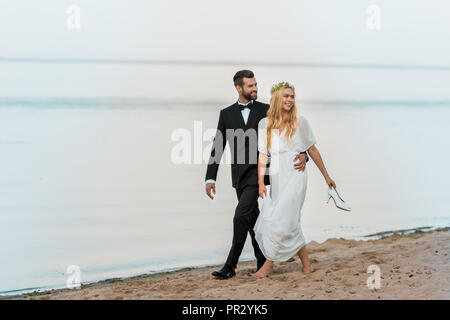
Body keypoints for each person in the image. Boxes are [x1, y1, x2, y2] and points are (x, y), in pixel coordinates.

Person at [205, 70, 309, 279]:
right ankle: (262, 260)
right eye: (250, 86)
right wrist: (210, 177)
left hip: (260, 174)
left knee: (240, 215)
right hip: (239, 177)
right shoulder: (226, 114)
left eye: (255, 85)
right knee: (252, 221)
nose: (255, 89)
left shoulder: (266, 109)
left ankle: (230, 266)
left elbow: (290, 130)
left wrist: (304, 154)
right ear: (238, 88)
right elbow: (218, 146)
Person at [252, 81, 337, 279]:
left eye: (292, 96)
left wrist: (327, 176)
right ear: (276, 99)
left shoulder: (300, 122)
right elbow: (263, 155)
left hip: (296, 176)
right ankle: (307, 265)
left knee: (281, 220)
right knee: (286, 220)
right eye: (286, 96)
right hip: (276, 177)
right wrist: (261, 182)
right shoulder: (265, 124)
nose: (290, 100)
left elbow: (312, 149)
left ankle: (268, 265)